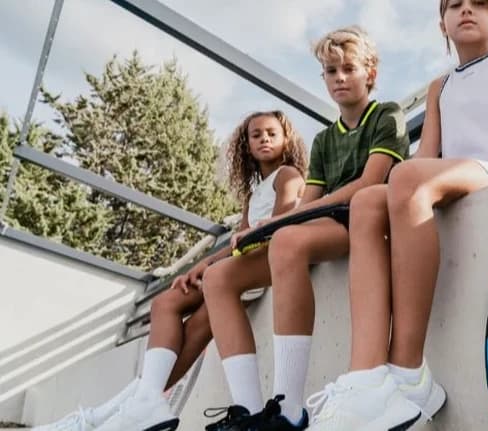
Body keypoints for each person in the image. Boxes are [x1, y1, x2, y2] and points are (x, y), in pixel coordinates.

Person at [306, 0, 488, 429]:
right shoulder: (439, 87)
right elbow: (425, 158)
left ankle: (408, 372)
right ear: (442, 23)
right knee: (367, 202)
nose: (466, 11)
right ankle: (367, 377)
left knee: (403, 178)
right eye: (455, 5)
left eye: (479, 3)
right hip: (455, 178)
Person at [33, 109, 307, 431]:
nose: (264, 139)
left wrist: (221, 263)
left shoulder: (288, 175)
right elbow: (238, 240)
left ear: (286, 138)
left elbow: (277, 227)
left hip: (256, 269)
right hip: (235, 265)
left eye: (272, 133)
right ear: (246, 144)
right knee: (165, 302)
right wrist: (203, 264)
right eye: (256, 134)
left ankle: (103, 416)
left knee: (193, 332)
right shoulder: (253, 192)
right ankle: (136, 406)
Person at [201, 26, 410, 431]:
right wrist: (264, 229)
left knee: (286, 239)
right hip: (326, 225)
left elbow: (369, 183)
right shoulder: (325, 139)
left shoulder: (387, 115)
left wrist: (280, 222)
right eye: (331, 71)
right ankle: (248, 412)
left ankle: (289, 409)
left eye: (349, 69)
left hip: (366, 221)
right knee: (217, 277)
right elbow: (309, 201)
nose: (339, 78)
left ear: (370, 73)